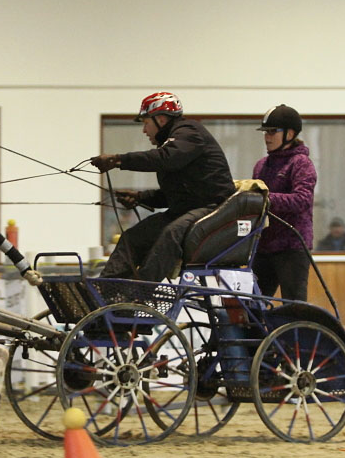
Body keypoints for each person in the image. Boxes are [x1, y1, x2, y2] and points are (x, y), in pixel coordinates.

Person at [90, 92, 235, 281]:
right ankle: (106, 293)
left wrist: (118, 160)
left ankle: (139, 293)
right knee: (132, 238)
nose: (144, 130)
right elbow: (177, 194)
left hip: (213, 210)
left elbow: (166, 159)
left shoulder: (190, 132)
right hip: (189, 210)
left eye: (146, 123)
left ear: (160, 119)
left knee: (170, 234)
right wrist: (140, 197)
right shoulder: (173, 142)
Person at [250, 104, 317, 301]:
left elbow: (302, 200)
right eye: (265, 132)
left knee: (293, 303)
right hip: (263, 245)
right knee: (252, 305)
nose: (267, 137)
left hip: (292, 246)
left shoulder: (301, 163)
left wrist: (264, 198)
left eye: (272, 132)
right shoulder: (261, 165)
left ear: (290, 133)